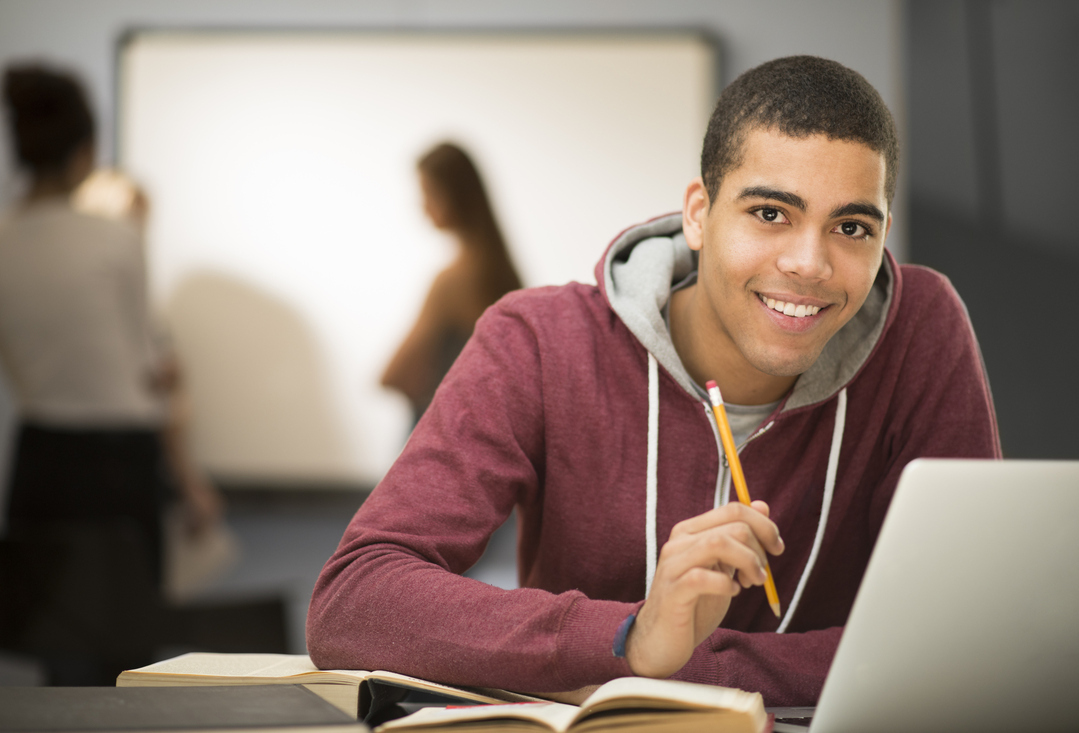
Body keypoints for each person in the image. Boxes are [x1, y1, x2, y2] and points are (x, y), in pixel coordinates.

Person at [307, 56, 1000, 706]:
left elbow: (965, 637)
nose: (809, 263)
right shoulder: (539, 340)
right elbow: (354, 601)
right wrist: (631, 637)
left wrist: (675, 667)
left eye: (851, 227)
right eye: (769, 214)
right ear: (698, 213)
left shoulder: (921, 327)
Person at [0, 63, 222, 584]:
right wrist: (189, 479)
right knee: (128, 619)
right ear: (86, 150)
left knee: (43, 613)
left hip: (40, 454)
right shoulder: (116, 238)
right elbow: (149, 371)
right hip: (120, 462)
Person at [380, 142, 522, 422]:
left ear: (457, 195)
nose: (423, 206)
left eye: (429, 193)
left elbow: (393, 375)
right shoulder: (505, 274)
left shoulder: (454, 279)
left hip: (440, 427)